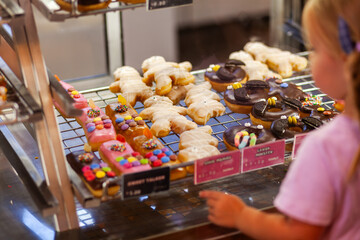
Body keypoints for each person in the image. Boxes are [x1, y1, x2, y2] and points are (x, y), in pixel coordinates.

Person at [199, 0, 360, 239]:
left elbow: (300, 233)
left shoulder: (323, 147)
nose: (310, 58)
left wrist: (241, 216)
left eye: (314, 49)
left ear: (347, 62)